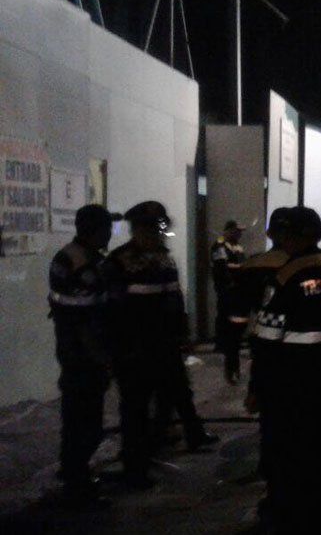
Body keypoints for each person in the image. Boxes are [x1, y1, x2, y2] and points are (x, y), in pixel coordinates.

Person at [249, 206, 321, 532]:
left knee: (286, 450)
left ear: (290, 237)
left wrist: (257, 387)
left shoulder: (284, 277)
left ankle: (285, 511)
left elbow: (267, 339)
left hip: (287, 385)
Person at [102, 201, 217, 488]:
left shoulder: (164, 258)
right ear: (137, 229)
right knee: (136, 409)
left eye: (158, 228)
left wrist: (183, 335)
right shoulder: (118, 262)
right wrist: (116, 350)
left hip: (164, 346)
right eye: (150, 228)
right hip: (134, 350)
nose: (156, 234)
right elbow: (111, 312)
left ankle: (164, 443)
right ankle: (135, 468)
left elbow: (175, 300)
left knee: (176, 393)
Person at [48, 204, 120, 507]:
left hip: (71, 352)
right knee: (86, 421)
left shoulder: (66, 256)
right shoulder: (84, 265)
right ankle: (78, 486)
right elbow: (84, 321)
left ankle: (72, 473)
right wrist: (102, 358)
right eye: (107, 228)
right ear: (95, 230)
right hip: (84, 356)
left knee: (74, 415)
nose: (109, 235)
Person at [211, 220, 247, 383]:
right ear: (228, 231)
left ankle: (233, 362)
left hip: (238, 292)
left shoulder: (238, 247)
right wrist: (231, 284)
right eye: (236, 231)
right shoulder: (220, 246)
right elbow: (221, 269)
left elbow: (242, 266)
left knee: (237, 329)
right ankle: (229, 361)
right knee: (228, 327)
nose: (239, 234)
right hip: (227, 292)